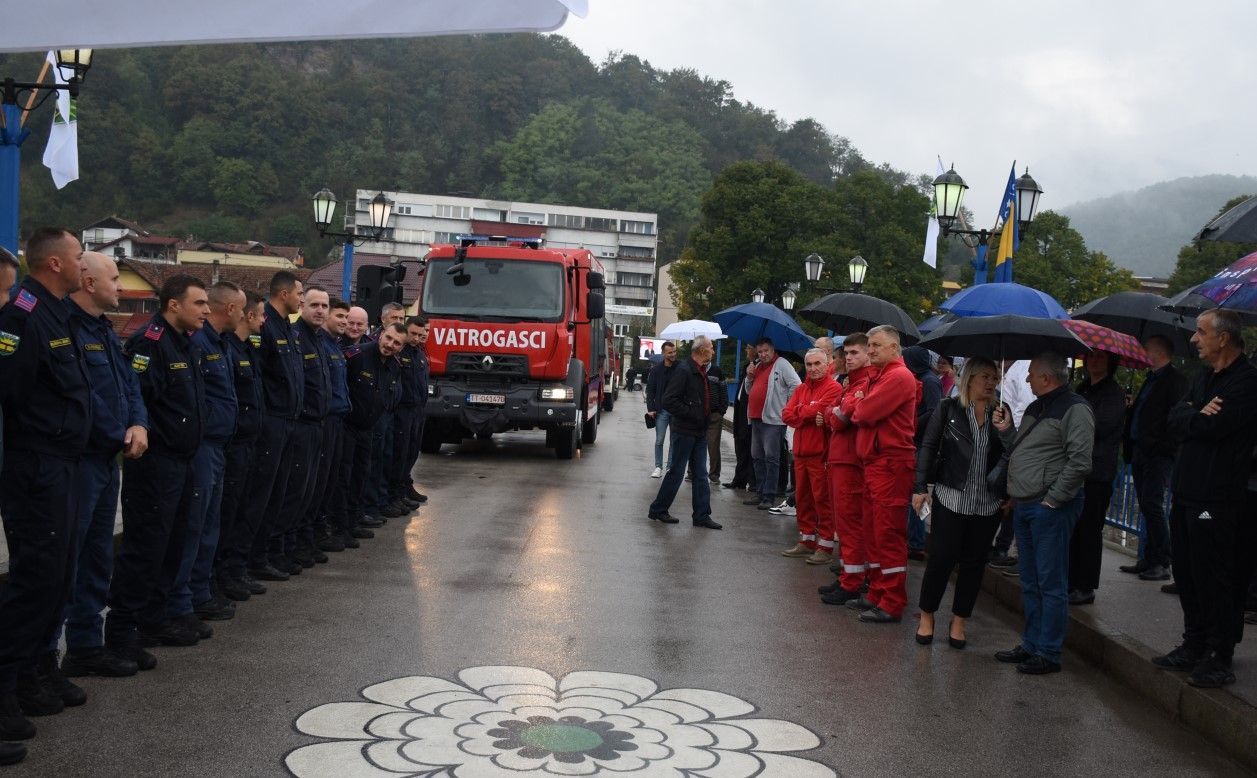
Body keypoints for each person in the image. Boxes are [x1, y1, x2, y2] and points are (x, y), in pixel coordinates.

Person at [0, 228, 90, 757]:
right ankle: (5, 684)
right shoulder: (23, 317)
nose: (84, 264)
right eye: (79, 256)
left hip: (65, 463)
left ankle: (35, 671)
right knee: (35, 579)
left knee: (58, 577)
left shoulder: (57, 313)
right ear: (54, 263)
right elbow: (11, 391)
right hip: (38, 468)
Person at [52, 253, 149, 681]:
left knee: (95, 556)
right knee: (65, 559)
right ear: (88, 283)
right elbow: (82, 397)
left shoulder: (104, 332)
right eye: (114, 279)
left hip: (106, 459)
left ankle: (86, 646)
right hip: (78, 460)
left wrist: (138, 423)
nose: (121, 287)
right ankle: (42, 661)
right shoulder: (63, 326)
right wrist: (118, 431)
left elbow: (129, 385)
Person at [106, 275, 210, 657]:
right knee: (145, 547)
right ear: (173, 305)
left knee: (173, 543)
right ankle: (123, 628)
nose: (205, 310)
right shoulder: (149, 344)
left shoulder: (186, 343)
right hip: (156, 463)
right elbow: (137, 400)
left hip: (183, 461)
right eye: (198, 303)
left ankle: (156, 617)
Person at [1152, 309, 1257, 688]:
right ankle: (1193, 643)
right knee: (1187, 573)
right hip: (1186, 492)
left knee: (1215, 576)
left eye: (1201, 332)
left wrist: (1194, 415)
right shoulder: (1204, 378)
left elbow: (1214, 427)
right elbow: (1176, 419)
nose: (1194, 340)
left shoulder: (1246, 382)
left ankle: (1220, 654)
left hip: (1218, 497)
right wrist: (1194, 412)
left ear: (1223, 338)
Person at [992, 352, 1094, 675]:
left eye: (1032, 374)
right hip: (1027, 503)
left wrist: (1054, 499)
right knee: (1031, 580)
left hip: (1048, 507)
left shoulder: (1075, 409)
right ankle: (1031, 643)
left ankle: (1048, 651)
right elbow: (1022, 449)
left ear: (1047, 379)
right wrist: (1007, 430)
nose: (1026, 379)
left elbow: (1080, 462)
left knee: (1049, 582)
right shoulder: (1038, 406)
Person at [911, 358, 1007, 649]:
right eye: (985, 377)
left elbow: (1010, 453)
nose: (991, 383)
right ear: (969, 379)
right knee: (941, 559)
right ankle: (927, 616)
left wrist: (1006, 430)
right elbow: (928, 445)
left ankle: (959, 620)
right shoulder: (948, 408)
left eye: (994, 377)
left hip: (987, 503)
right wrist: (920, 487)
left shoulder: (1001, 412)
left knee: (974, 565)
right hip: (951, 497)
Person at [220, 271, 304, 585]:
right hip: (268, 425)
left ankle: (259, 557)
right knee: (256, 499)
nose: (301, 298)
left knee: (276, 496)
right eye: (299, 293)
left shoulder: (287, 326)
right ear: (284, 294)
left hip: (287, 424)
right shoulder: (264, 326)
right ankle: (240, 564)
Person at [835, 326, 920, 624]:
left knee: (888, 534)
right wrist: (858, 403)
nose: (870, 350)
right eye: (869, 345)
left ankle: (892, 601)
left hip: (891, 464)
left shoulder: (898, 377)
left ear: (895, 348)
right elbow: (857, 409)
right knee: (874, 532)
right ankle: (877, 593)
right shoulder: (882, 376)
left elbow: (863, 414)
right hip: (876, 463)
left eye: (876, 346)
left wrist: (857, 404)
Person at [171, 281, 242, 630]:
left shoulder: (219, 343)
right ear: (229, 308)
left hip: (217, 445)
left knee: (208, 527)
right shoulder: (199, 343)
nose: (244, 316)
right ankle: (183, 600)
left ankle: (198, 592)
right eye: (241, 309)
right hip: (202, 445)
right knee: (194, 528)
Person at [1121, 334, 1187, 580]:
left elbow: (1175, 419)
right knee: (1146, 506)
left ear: (1158, 352)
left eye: (1146, 349)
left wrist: (1160, 445)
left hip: (1158, 454)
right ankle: (1149, 558)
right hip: (1140, 451)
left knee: (1153, 504)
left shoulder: (1175, 381)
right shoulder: (1151, 379)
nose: (1143, 353)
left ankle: (1162, 561)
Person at [216, 291, 267, 602]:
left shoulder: (245, 349)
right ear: (247, 316)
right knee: (227, 515)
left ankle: (233, 571)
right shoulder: (229, 350)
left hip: (249, 442)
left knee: (242, 511)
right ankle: (221, 577)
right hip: (232, 445)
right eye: (260, 315)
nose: (264, 320)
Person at [819, 333, 873, 605]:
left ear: (867, 354)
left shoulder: (864, 382)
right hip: (841, 458)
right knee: (844, 522)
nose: (849, 358)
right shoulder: (853, 383)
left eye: (855, 352)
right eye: (847, 353)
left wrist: (835, 411)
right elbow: (834, 415)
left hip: (851, 461)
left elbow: (838, 419)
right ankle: (847, 576)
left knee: (850, 523)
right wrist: (835, 411)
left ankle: (852, 582)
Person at [1068, 352, 1126, 606]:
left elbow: (1103, 426)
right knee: (1074, 526)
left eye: (1101, 358)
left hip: (1098, 470)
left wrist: (1077, 422)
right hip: (1077, 467)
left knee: (1090, 528)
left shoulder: (1113, 393)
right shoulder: (1082, 388)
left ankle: (1085, 585)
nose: (1095, 362)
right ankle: (1070, 579)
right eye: (1092, 357)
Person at [647, 336, 722, 530]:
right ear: (702, 350)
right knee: (677, 472)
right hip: (685, 430)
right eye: (711, 348)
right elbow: (669, 400)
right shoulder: (684, 371)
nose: (713, 352)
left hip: (699, 431)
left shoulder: (699, 370)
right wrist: (692, 413)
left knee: (700, 474)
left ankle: (702, 515)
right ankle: (658, 509)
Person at [282, 285, 333, 570]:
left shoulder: (319, 339)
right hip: (300, 426)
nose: (320, 311)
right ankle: (286, 549)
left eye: (324, 306)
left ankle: (301, 542)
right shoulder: (297, 337)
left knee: (311, 491)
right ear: (303, 307)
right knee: (295, 490)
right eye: (314, 305)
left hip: (319, 425)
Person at [341, 323, 405, 543]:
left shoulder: (395, 364)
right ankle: (340, 526)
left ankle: (353, 520)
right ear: (381, 335)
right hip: (347, 428)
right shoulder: (357, 355)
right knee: (344, 478)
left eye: (397, 343)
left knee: (361, 476)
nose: (390, 345)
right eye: (388, 338)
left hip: (369, 429)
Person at [780, 348, 842, 564]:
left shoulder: (834, 388)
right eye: (809, 365)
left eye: (818, 364)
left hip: (820, 454)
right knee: (803, 498)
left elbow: (816, 411)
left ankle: (824, 545)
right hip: (800, 453)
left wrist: (801, 411)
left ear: (827, 364)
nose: (813, 368)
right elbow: (786, 414)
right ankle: (806, 541)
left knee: (821, 500)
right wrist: (808, 411)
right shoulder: (802, 388)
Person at [311, 298, 353, 554]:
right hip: (323, 422)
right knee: (319, 483)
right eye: (339, 316)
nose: (344, 323)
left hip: (337, 421)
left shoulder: (335, 347)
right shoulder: (322, 346)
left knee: (330, 480)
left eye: (345, 318)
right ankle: (315, 533)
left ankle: (322, 529)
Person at [744, 338, 801, 509]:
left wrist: (786, 406)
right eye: (760, 351)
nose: (763, 354)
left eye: (766, 351)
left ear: (773, 349)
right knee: (757, 457)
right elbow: (749, 390)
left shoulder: (782, 364)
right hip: (756, 418)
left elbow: (796, 385)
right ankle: (760, 492)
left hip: (773, 420)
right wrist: (749, 377)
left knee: (771, 458)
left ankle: (769, 496)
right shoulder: (758, 366)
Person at [990, 358, 1035, 568]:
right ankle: (1000, 545)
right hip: (1007, 435)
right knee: (1006, 495)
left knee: (1010, 496)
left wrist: (1012, 438)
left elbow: (1023, 409)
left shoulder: (1023, 367)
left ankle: (1003, 547)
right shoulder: (1012, 369)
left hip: (1014, 439)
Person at [383, 316, 429, 517]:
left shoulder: (419, 353)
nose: (417, 338)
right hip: (401, 411)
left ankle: (401, 491)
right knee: (399, 455)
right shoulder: (399, 353)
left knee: (411, 453)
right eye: (413, 334)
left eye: (421, 334)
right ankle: (393, 496)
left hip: (417, 411)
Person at [903, 345, 942, 560]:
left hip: (922, 442)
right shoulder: (923, 377)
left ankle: (916, 542)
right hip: (917, 440)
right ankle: (914, 540)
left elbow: (934, 410)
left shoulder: (929, 381)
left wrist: (912, 423)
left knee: (917, 493)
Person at [723, 343, 756, 490]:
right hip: (740, 409)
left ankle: (749, 480)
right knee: (740, 445)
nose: (746, 350)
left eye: (749, 348)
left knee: (748, 447)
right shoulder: (747, 366)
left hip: (749, 411)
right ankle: (739, 479)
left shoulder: (758, 367)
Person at [646, 341, 678, 478]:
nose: (673, 354)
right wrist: (651, 408)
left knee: (674, 440)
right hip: (661, 410)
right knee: (659, 440)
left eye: (674, 351)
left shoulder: (680, 368)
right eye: (670, 352)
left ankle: (670, 467)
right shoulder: (656, 370)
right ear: (664, 353)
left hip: (677, 411)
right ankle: (658, 467)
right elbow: (650, 391)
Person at [702, 356, 729, 485]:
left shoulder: (717, 371)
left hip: (714, 414)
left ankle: (714, 474)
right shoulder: (694, 369)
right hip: (697, 415)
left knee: (713, 446)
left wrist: (721, 411)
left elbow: (724, 391)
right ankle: (692, 472)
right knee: (695, 444)